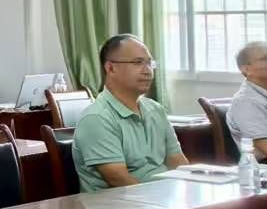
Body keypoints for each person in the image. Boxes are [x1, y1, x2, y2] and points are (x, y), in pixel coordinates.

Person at [73, 34, 189, 191]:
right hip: (121, 203)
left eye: (150, 63)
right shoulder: (96, 118)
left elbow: (177, 161)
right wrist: (164, 199)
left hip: (163, 197)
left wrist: (190, 190)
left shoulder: (156, 109)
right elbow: (119, 180)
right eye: (138, 62)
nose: (148, 71)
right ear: (110, 68)